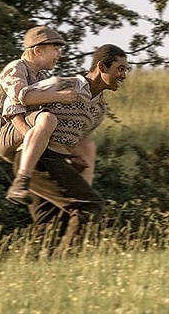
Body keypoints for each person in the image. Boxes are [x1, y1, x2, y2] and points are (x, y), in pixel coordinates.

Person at [18, 44, 129, 256]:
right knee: (89, 205)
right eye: (120, 69)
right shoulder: (62, 84)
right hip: (36, 158)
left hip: (57, 161)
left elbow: (77, 141)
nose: (124, 75)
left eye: (126, 70)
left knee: (50, 225)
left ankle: (35, 268)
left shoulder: (98, 109)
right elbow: (20, 100)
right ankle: (65, 259)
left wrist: (75, 159)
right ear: (101, 67)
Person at [0, 25, 81, 205]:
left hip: (23, 131)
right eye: (56, 49)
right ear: (37, 50)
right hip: (2, 132)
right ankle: (20, 183)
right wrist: (58, 97)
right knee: (46, 118)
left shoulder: (40, 77)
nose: (59, 54)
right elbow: (15, 109)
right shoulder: (15, 69)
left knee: (80, 141)